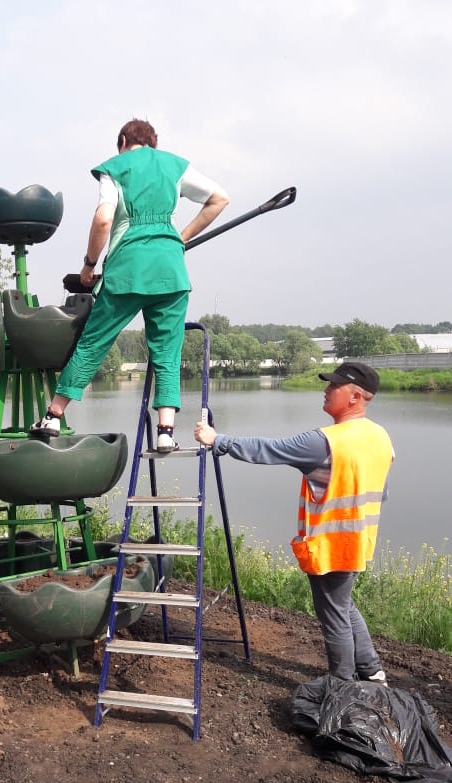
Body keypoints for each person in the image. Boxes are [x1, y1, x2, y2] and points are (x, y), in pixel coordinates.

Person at [30, 118, 229, 453]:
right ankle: (166, 432)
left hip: (126, 271)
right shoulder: (174, 164)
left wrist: (89, 264)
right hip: (170, 272)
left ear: (123, 140)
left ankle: (53, 416)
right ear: (152, 142)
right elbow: (220, 198)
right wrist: (179, 238)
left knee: (93, 343)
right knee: (167, 351)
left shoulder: (115, 167)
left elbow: (104, 218)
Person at [194, 361, 394, 684]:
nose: (326, 390)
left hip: (331, 544)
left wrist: (217, 440)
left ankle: (342, 683)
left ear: (356, 396)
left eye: (334, 386)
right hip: (360, 538)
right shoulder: (381, 437)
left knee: (334, 614)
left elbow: (270, 450)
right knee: (343, 603)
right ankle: (372, 670)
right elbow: (379, 493)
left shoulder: (325, 442)